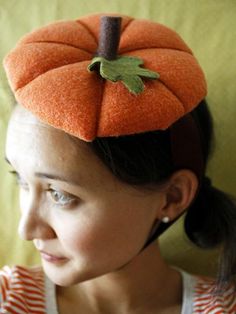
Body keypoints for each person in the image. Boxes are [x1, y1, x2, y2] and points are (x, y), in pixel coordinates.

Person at [1, 13, 236, 314]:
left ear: (172, 197)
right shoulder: (9, 300)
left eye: (60, 195)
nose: (28, 229)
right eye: (19, 178)